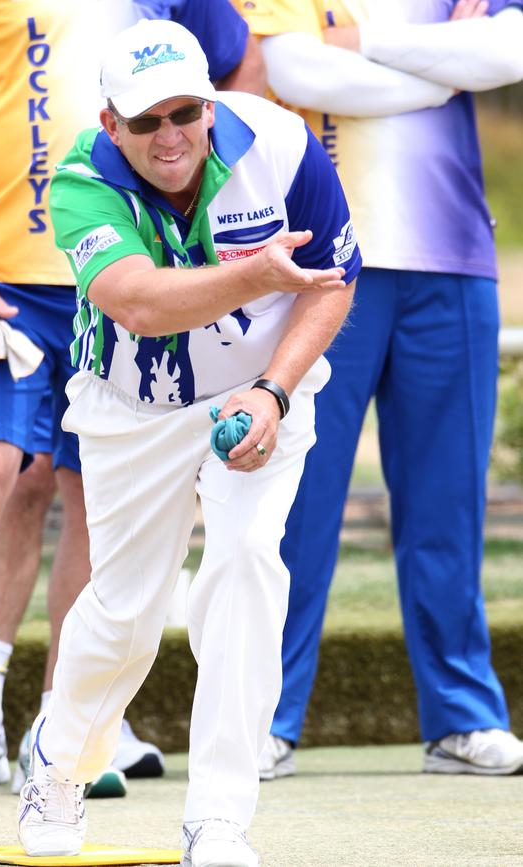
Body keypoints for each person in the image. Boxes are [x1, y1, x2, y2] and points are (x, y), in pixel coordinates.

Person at [0, 0, 265, 809]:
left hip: (128, 280)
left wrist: (210, 223)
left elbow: (240, 69)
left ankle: (67, 727)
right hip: (0, 282)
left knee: (101, 503)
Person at [16, 17, 359, 866]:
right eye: (145, 121)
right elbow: (139, 301)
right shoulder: (79, 181)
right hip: (132, 405)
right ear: (111, 125)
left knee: (246, 565)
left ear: (210, 105)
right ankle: (59, 765)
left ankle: (219, 818)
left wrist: (276, 389)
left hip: (261, 390)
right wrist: (255, 272)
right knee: (126, 611)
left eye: (183, 113)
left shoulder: (281, 143)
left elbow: (334, 280)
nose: (168, 137)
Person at [232, 0, 523, 779]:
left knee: (448, 505)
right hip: (327, 267)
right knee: (300, 504)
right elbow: (294, 68)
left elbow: (508, 54)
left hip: (453, 260)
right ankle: (268, 717)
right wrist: (437, 69)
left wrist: (363, 44)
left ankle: (463, 716)